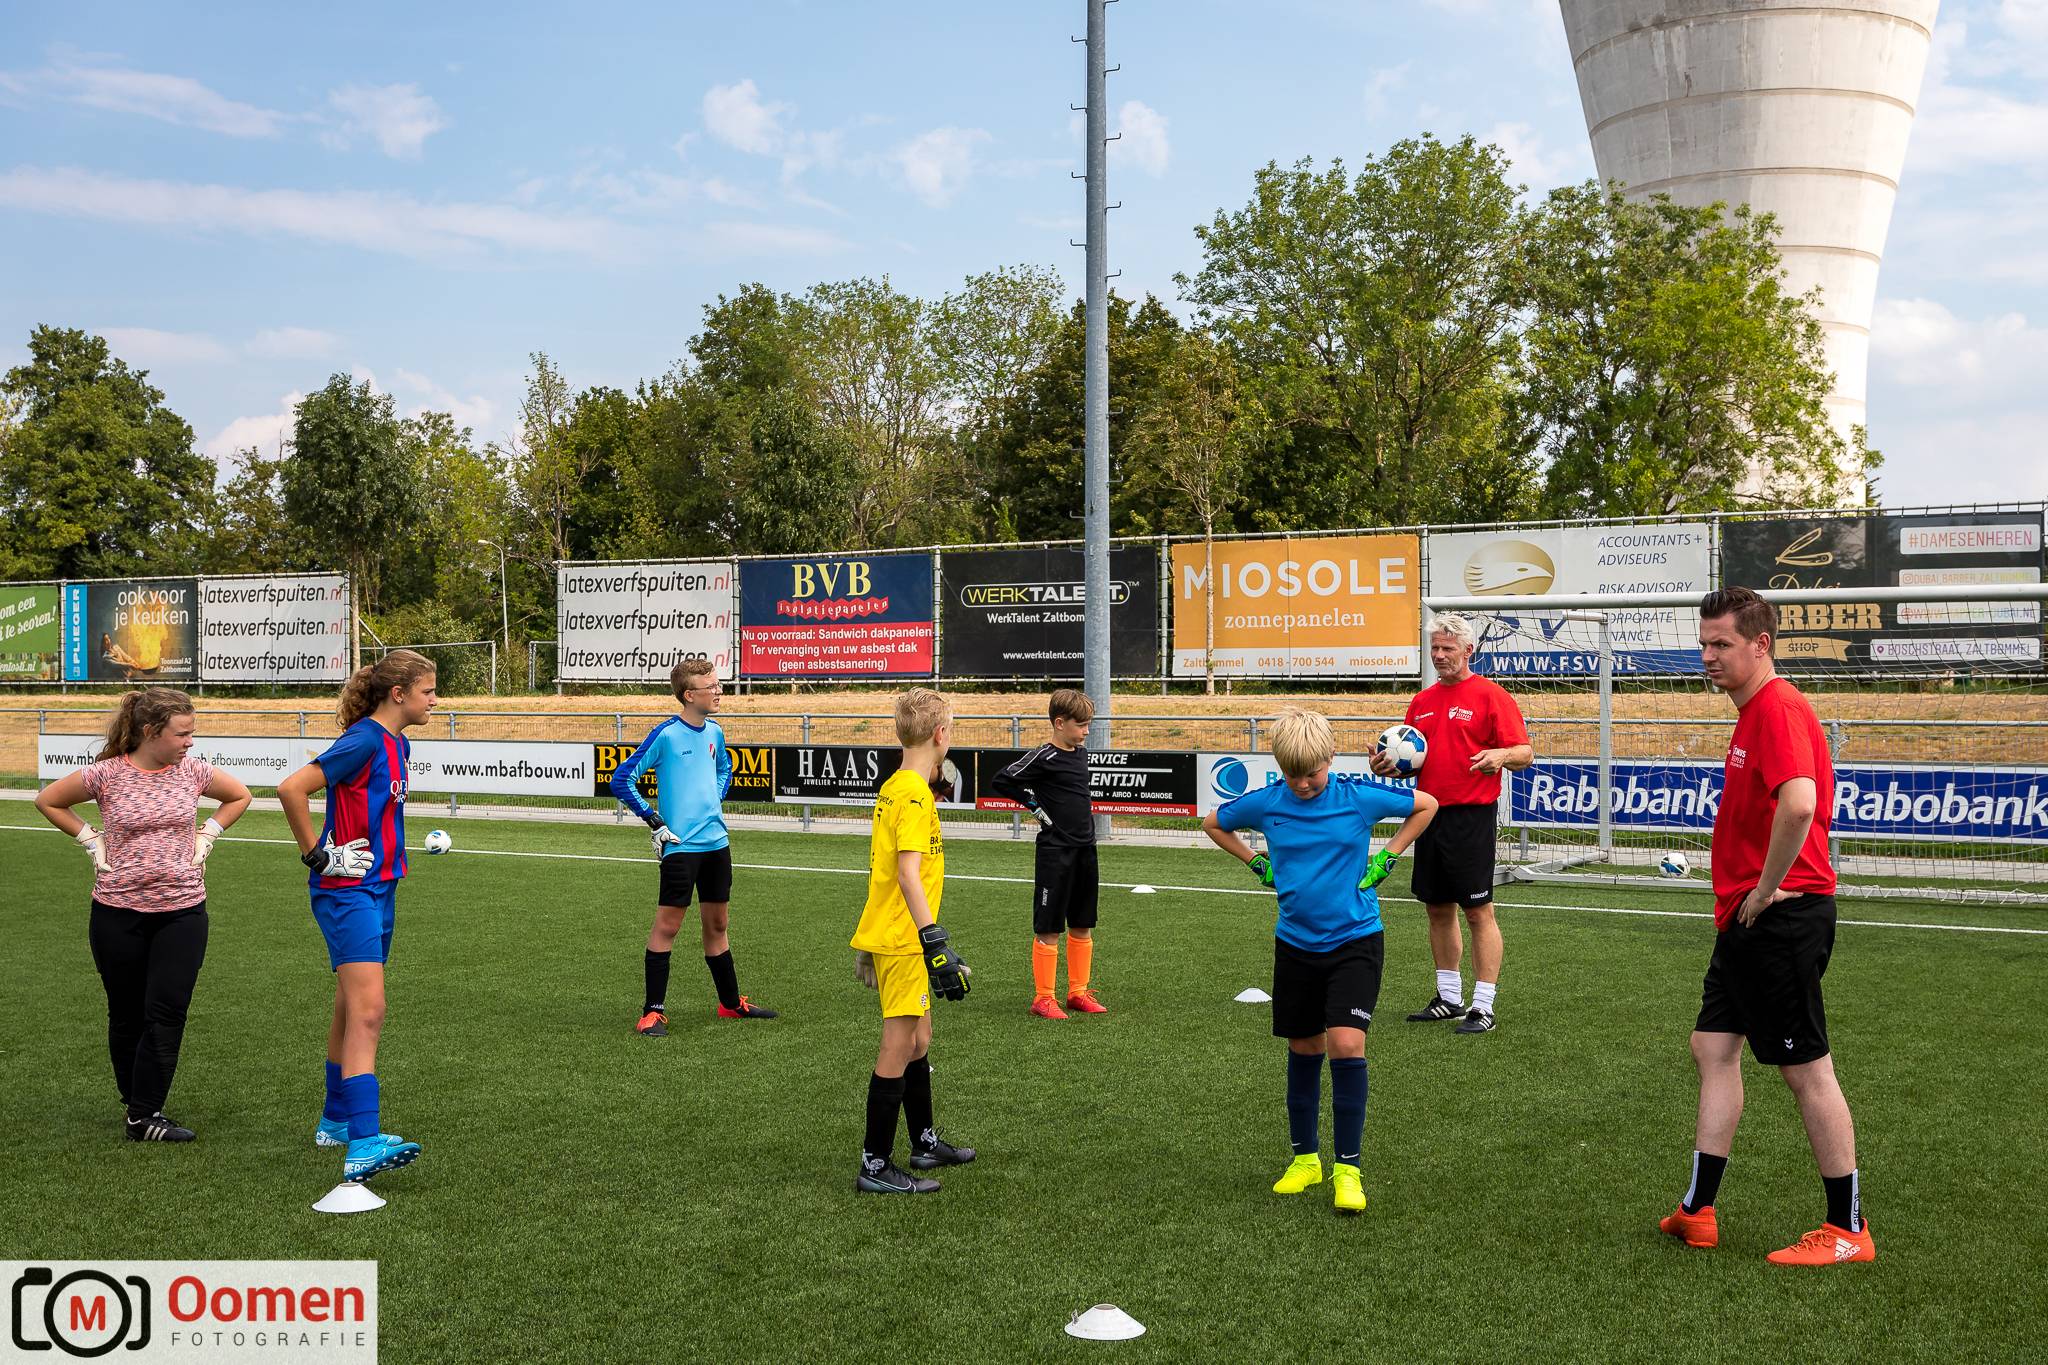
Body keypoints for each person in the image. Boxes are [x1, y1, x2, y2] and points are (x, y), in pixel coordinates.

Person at [1659, 586, 1873, 1265]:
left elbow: (1799, 805)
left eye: (1721, 643)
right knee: (1712, 1046)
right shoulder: (1753, 710)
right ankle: (1698, 1209)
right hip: (1746, 920)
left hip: (1780, 917)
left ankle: (1848, 1229)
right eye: (1703, 643)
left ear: (1761, 644)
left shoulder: (1777, 707)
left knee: (1806, 1069)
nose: (1708, 655)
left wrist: (1764, 885)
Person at [1203, 708, 1437, 1215]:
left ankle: (1348, 1170)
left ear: (1330, 757)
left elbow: (1426, 804)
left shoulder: (1356, 797)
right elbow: (1214, 823)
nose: (1303, 783)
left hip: (1355, 941)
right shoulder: (1268, 802)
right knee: (1304, 1047)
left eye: (1312, 773)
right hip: (1295, 945)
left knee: (1346, 1044)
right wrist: (1257, 862)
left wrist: (1389, 855)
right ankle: (1305, 1160)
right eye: (1293, 775)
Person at [35, 688, 251, 1142]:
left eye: (191, 733)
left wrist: (209, 832)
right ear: (151, 732)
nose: (190, 741)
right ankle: (135, 1104)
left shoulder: (193, 771)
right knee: (126, 1014)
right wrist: (89, 838)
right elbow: (49, 800)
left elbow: (239, 796)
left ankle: (145, 1113)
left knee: (167, 1012)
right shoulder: (106, 774)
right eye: (182, 733)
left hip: (182, 912)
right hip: (116, 912)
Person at [277, 649, 437, 1184]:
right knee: (370, 1010)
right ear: (398, 694)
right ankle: (365, 1142)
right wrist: (319, 856)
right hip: (348, 890)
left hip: (380, 888)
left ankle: (336, 1121)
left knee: (350, 1006)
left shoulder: (399, 742)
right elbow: (291, 788)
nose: (435, 700)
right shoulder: (365, 740)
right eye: (428, 691)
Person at [1372, 612, 1532, 1035]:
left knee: (1478, 911)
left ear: (1468, 651)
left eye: (1448, 648)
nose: (1440, 655)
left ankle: (1483, 1006)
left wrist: (1501, 755)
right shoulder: (1421, 702)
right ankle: (1449, 997)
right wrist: (1387, 767)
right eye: (1435, 648)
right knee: (1437, 908)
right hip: (1427, 815)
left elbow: (1525, 752)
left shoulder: (1492, 696)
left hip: (1471, 817)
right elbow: (1412, 762)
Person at [849, 687, 976, 1194]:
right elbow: (905, 874)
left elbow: (880, 871)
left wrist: (869, 942)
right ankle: (875, 1165)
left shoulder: (897, 786)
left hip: (897, 936)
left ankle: (923, 1143)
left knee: (920, 1040)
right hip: (905, 940)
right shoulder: (916, 795)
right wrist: (934, 941)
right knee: (898, 1045)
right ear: (941, 734)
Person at [610, 657, 776, 1036]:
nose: (719, 692)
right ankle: (652, 1012)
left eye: (718, 685)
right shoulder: (666, 735)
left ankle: (731, 1004)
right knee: (668, 927)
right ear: (689, 695)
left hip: (717, 845)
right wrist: (655, 821)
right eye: (711, 687)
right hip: (680, 848)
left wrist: (714, 800)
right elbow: (622, 779)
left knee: (718, 924)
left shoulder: (715, 732)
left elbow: (724, 769)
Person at [989, 687, 1104, 1019]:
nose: (1086, 731)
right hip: (1055, 853)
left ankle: (1078, 992)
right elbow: (1002, 780)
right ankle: (1044, 998)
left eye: (1088, 725)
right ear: (1059, 723)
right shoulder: (1043, 756)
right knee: (1049, 926)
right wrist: (1035, 808)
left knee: (1083, 922)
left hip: (1086, 849)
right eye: (1081, 725)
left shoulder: (1080, 754)